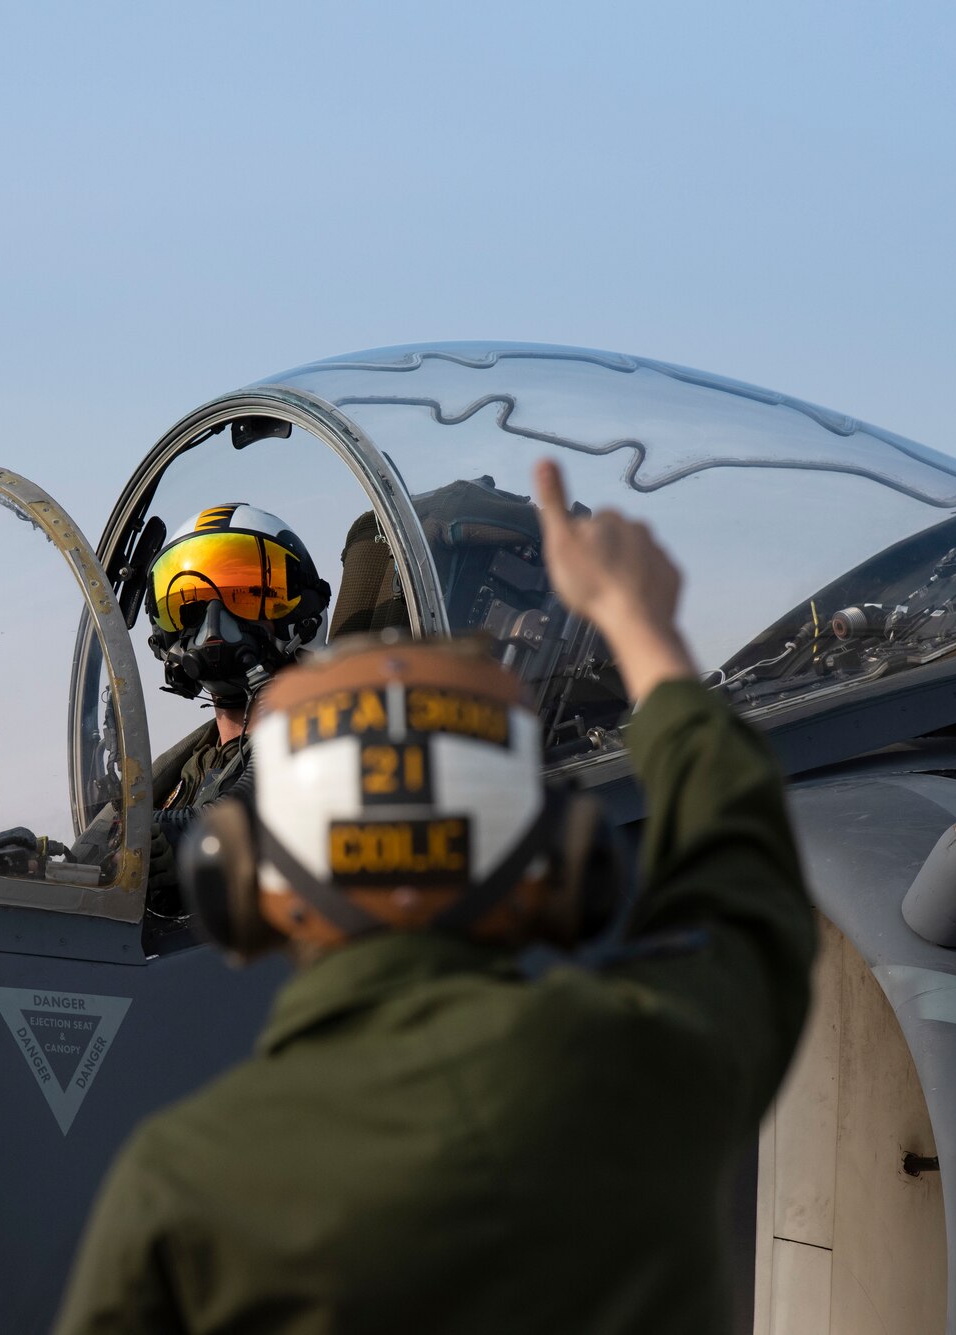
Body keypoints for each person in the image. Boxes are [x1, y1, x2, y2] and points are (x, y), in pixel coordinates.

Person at [53, 460, 816, 1335]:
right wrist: (645, 631)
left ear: (247, 890)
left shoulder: (180, 1184)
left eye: (245, 586)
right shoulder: (645, 1074)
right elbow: (749, 893)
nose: (218, 622)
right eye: (193, 597)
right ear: (553, 865)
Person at [141, 504, 331, 912]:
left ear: (302, 618)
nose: (213, 627)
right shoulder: (182, 768)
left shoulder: (328, 753)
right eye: (190, 605)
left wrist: (188, 839)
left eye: (246, 595)